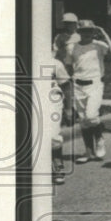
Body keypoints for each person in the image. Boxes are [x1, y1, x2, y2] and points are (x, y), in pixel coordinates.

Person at [66, 19, 111, 162]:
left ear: (93, 32)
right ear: (79, 32)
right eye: (83, 31)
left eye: (90, 31)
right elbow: (69, 66)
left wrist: (104, 33)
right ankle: (88, 152)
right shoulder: (72, 47)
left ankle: (99, 138)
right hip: (78, 85)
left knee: (91, 116)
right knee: (83, 120)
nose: (87, 34)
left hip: (94, 84)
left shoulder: (99, 45)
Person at [49, 55, 71, 184]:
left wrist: (68, 108)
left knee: (52, 135)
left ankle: (57, 165)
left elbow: (66, 86)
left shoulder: (54, 63)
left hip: (51, 100)